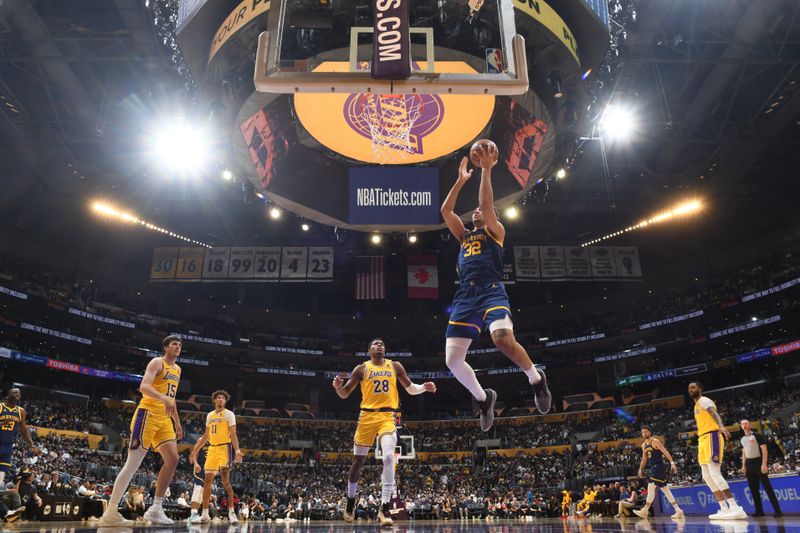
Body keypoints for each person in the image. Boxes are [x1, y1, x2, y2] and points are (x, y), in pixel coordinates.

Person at [440, 147, 551, 431]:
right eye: (475, 210)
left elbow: (487, 205)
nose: (477, 210)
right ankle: (484, 398)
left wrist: (486, 170)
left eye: (483, 211)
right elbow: (446, 210)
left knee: (502, 338)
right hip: (465, 295)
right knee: (452, 361)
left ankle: (536, 379)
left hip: (491, 290)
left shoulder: (495, 231)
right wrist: (461, 180)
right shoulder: (464, 235)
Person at [332, 338, 436, 526]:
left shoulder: (395, 366)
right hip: (366, 418)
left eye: (382, 344)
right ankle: (350, 501)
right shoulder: (361, 369)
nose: (380, 345)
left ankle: (384, 509)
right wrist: (338, 387)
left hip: (387, 417)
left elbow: (410, 388)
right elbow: (345, 393)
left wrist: (423, 388)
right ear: (369, 349)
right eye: (375, 344)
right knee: (358, 462)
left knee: (389, 458)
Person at [98, 335, 184, 526]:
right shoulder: (157, 362)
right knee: (133, 464)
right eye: (174, 344)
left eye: (180, 345)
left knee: (173, 459)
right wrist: (163, 398)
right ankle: (110, 512)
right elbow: (144, 387)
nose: (178, 347)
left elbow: (171, 399)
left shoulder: (177, 369)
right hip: (147, 415)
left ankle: (156, 508)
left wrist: (177, 421)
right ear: (165, 347)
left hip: (164, 419)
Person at [687, 381, 746, 520]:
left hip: (712, 436)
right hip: (702, 439)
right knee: (706, 476)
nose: (691, 389)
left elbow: (714, 413)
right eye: (689, 388)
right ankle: (724, 508)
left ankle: (735, 507)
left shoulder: (704, 400)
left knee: (715, 473)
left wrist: (721, 426)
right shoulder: (696, 405)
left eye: (693, 387)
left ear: (700, 389)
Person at [189, 390, 243, 524]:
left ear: (225, 401)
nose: (220, 400)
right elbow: (206, 436)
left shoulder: (229, 414)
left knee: (225, 482)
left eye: (223, 398)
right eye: (218, 398)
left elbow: (233, 434)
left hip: (225, 448)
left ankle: (232, 512)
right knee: (207, 482)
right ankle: (205, 514)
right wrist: (194, 451)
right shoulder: (210, 415)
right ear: (214, 400)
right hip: (212, 449)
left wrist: (237, 450)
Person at [633, 426, 684, 519]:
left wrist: (672, 463)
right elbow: (644, 459)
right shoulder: (644, 445)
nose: (644, 433)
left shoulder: (655, 441)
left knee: (651, 486)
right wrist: (640, 469)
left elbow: (665, 452)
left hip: (659, 467)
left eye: (646, 432)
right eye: (643, 432)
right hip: (653, 468)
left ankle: (645, 510)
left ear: (649, 432)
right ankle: (678, 510)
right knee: (665, 489)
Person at [740, 419, 782, 517]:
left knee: (767, 487)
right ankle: (759, 511)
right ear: (741, 426)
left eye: (746, 423)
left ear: (749, 425)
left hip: (758, 462)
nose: (744, 425)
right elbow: (744, 452)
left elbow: (764, 450)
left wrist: (764, 464)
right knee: (753, 489)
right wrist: (743, 465)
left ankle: (778, 510)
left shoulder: (757, 436)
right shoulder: (742, 439)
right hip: (749, 464)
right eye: (742, 424)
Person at [0, 388, 42, 485]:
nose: (18, 394)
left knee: (0, 480)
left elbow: (24, 430)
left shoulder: (21, 411)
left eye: (19, 393)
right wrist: (2, 423)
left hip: (7, 447)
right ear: (8, 394)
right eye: (15, 392)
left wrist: (32, 445)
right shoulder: (1, 407)